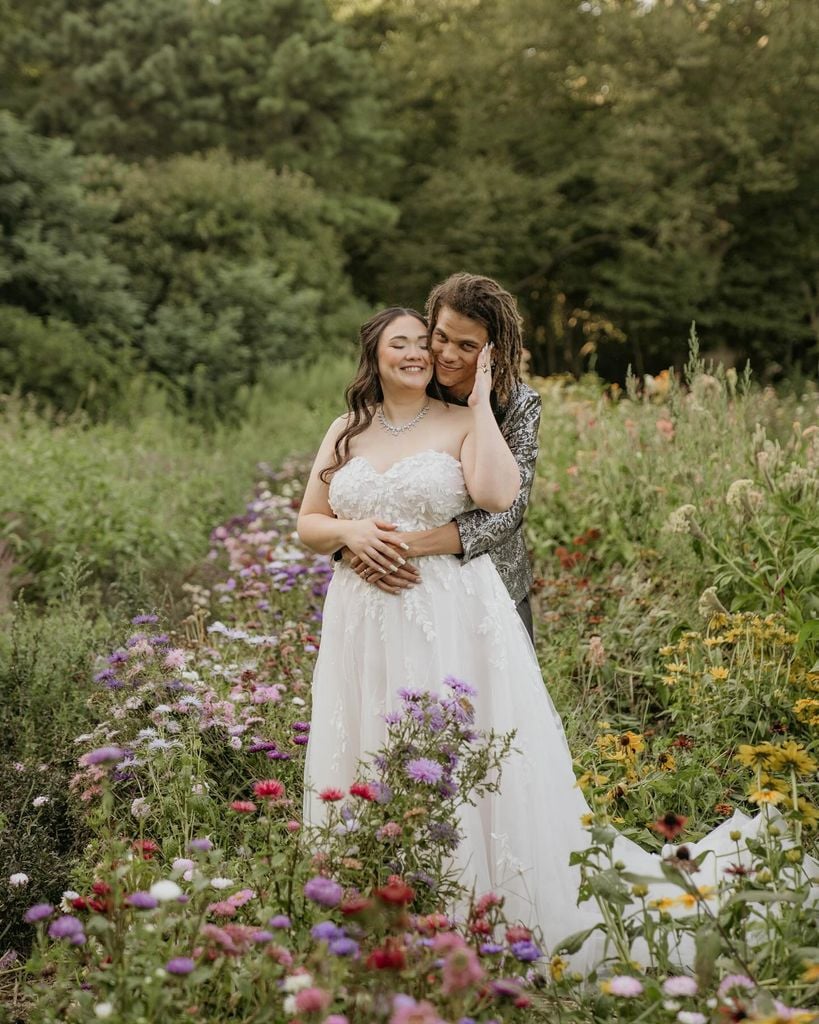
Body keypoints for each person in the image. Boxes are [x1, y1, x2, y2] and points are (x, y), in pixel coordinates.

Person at [297, 304, 771, 970]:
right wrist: (348, 534)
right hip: (361, 616)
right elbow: (309, 523)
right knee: (369, 734)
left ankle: (466, 905)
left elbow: (495, 495)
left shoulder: (463, 421)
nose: (413, 353)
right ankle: (370, 899)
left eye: (421, 344)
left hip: (445, 607)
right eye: (397, 344)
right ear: (372, 354)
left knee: (455, 748)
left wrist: (483, 397)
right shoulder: (345, 429)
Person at [341, 273, 542, 642]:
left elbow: (505, 513)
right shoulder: (410, 380)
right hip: (395, 586)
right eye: (442, 337)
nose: (448, 355)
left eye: (467, 346)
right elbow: (363, 477)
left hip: (492, 580)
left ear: (491, 350)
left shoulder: (517, 404)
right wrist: (352, 542)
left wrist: (399, 550)